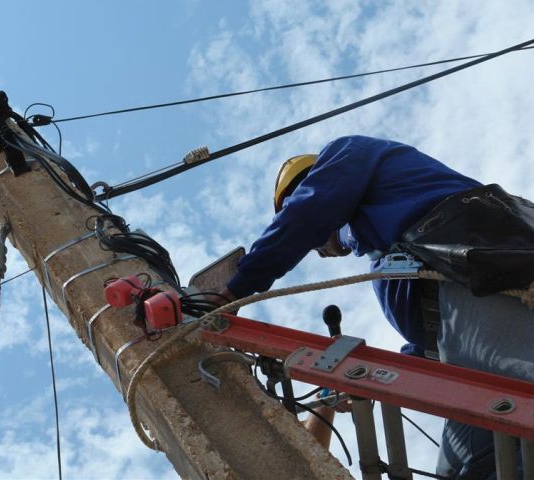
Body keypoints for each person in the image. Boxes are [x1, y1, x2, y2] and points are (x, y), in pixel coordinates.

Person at [216, 135, 534, 479]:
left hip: (485, 283)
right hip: (459, 336)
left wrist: (234, 290)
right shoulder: (382, 248)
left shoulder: (348, 154)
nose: (317, 250)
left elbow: (308, 212)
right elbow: (423, 340)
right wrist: (373, 381)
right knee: (458, 470)